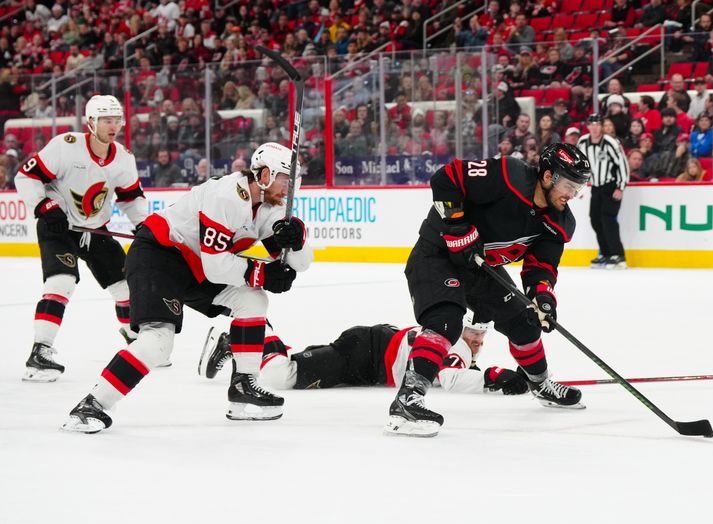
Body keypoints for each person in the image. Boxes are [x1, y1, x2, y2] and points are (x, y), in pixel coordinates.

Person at [61, 143, 312, 433]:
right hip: (160, 256)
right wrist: (262, 273)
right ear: (265, 174)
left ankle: (243, 389)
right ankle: (91, 405)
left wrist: (297, 239)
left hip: (196, 266)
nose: (292, 186)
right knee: (157, 342)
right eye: (286, 177)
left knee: (253, 301)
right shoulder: (227, 196)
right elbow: (217, 268)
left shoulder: (272, 208)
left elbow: (302, 263)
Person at [383, 143, 591, 437]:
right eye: (569, 185)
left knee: (525, 322)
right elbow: (446, 178)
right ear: (547, 176)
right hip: (437, 255)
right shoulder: (508, 175)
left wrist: (542, 297)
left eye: (578, 188)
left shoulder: (558, 222)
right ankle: (407, 400)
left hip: (480, 268)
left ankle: (541, 384)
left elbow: (541, 267)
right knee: (446, 321)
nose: (572, 195)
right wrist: (457, 225)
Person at [15, 95, 147, 382]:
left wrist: (143, 224)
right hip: (58, 226)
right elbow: (26, 177)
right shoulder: (66, 146)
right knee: (61, 281)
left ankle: (137, 342)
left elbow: (131, 196)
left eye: (116, 120)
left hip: (95, 231)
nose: (113, 126)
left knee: (125, 286)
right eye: (106, 120)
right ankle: (40, 351)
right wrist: (44, 207)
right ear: (91, 122)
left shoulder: (123, 157)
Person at [198, 313, 530, 396]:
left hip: (365, 354)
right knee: (279, 378)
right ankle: (251, 331)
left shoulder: (451, 338)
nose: (479, 342)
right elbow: (449, 376)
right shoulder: (454, 343)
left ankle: (244, 342)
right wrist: (493, 378)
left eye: (482, 335)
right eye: (475, 333)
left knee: (289, 370)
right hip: (362, 354)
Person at [577, 114, 630, 270]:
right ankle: (606, 254)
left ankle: (618, 255)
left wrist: (620, 187)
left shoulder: (610, 143)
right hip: (596, 187)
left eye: (598, 124)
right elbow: (580, 164)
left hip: (611, 185)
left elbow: (622, 165)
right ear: (588, 126)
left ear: (602, 126)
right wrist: (578, 185)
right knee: (595, 219)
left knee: (608, 219)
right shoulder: (583, 142)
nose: (595, 127)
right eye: (592, 124)